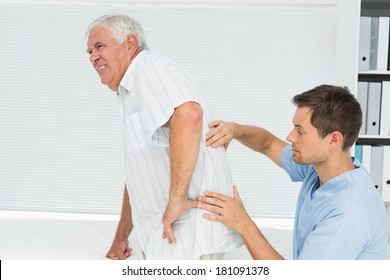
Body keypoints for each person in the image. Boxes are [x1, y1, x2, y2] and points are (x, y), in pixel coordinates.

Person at [85, 14, 242, 260]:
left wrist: (177, 199)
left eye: (99, 46)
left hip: (189, 237)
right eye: (89, 52)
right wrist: (121, 236)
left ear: (130, 44)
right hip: (170, 238)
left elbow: (190, 115)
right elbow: (139, 174)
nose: (93, 57)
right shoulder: (132, 90)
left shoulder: (149, 69)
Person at [198, 84, 390, 259]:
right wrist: (235, 130)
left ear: (333, 140)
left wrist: (242, 224)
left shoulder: (347, 214)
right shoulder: (320, 168)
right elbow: (268, 144)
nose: (290, 137)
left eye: (300, 131)